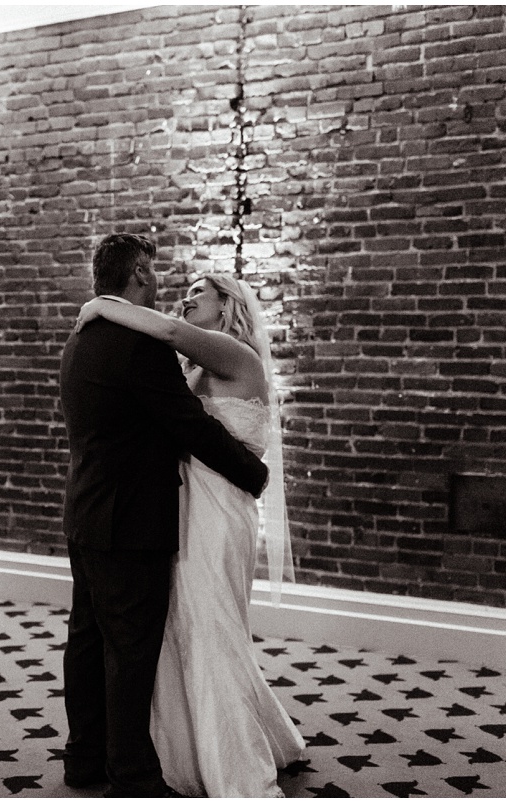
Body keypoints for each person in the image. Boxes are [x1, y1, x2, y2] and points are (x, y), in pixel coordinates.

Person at [74, 272, 306, 797]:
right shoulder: (193, 366)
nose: (187, 296)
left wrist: (103, 305)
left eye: (200, 291)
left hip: (219, 510)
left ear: (227, 305)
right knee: (186, 626)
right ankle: (191, 749)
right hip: (183, 507)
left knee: (211, 625)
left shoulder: (235, 354)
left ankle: (235, 768)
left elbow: (171, 331)